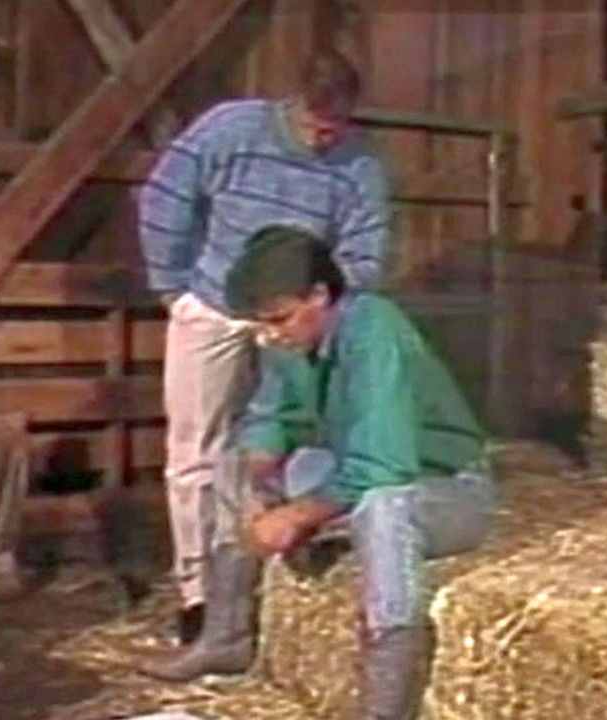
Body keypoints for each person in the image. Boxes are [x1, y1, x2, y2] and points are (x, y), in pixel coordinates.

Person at [143, 226, 496, 720]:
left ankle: (384, 709)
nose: (269, 335)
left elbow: (383, 465)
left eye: (279, 320)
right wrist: (259, 466)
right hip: (347, 463)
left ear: (320, 295)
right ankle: (225, 636)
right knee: (229, 463)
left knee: (383, 504)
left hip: (444, 486)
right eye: (260, 325)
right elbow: (271, 415)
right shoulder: (287, 337)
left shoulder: (375, 330)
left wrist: (296, 514)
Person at [137, 49, 390, 644]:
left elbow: (367, 250)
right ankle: (200, 594)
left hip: (294, 319)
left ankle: (270, 581)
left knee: (288, 442)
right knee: (198, 452)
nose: (326, 139)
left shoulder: (360, 166)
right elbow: (165, 199)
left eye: (338, 127)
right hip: (216, 307)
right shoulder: (232, 129)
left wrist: (325, 306)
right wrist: (172, 287)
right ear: (294, 106)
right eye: (315, 127)